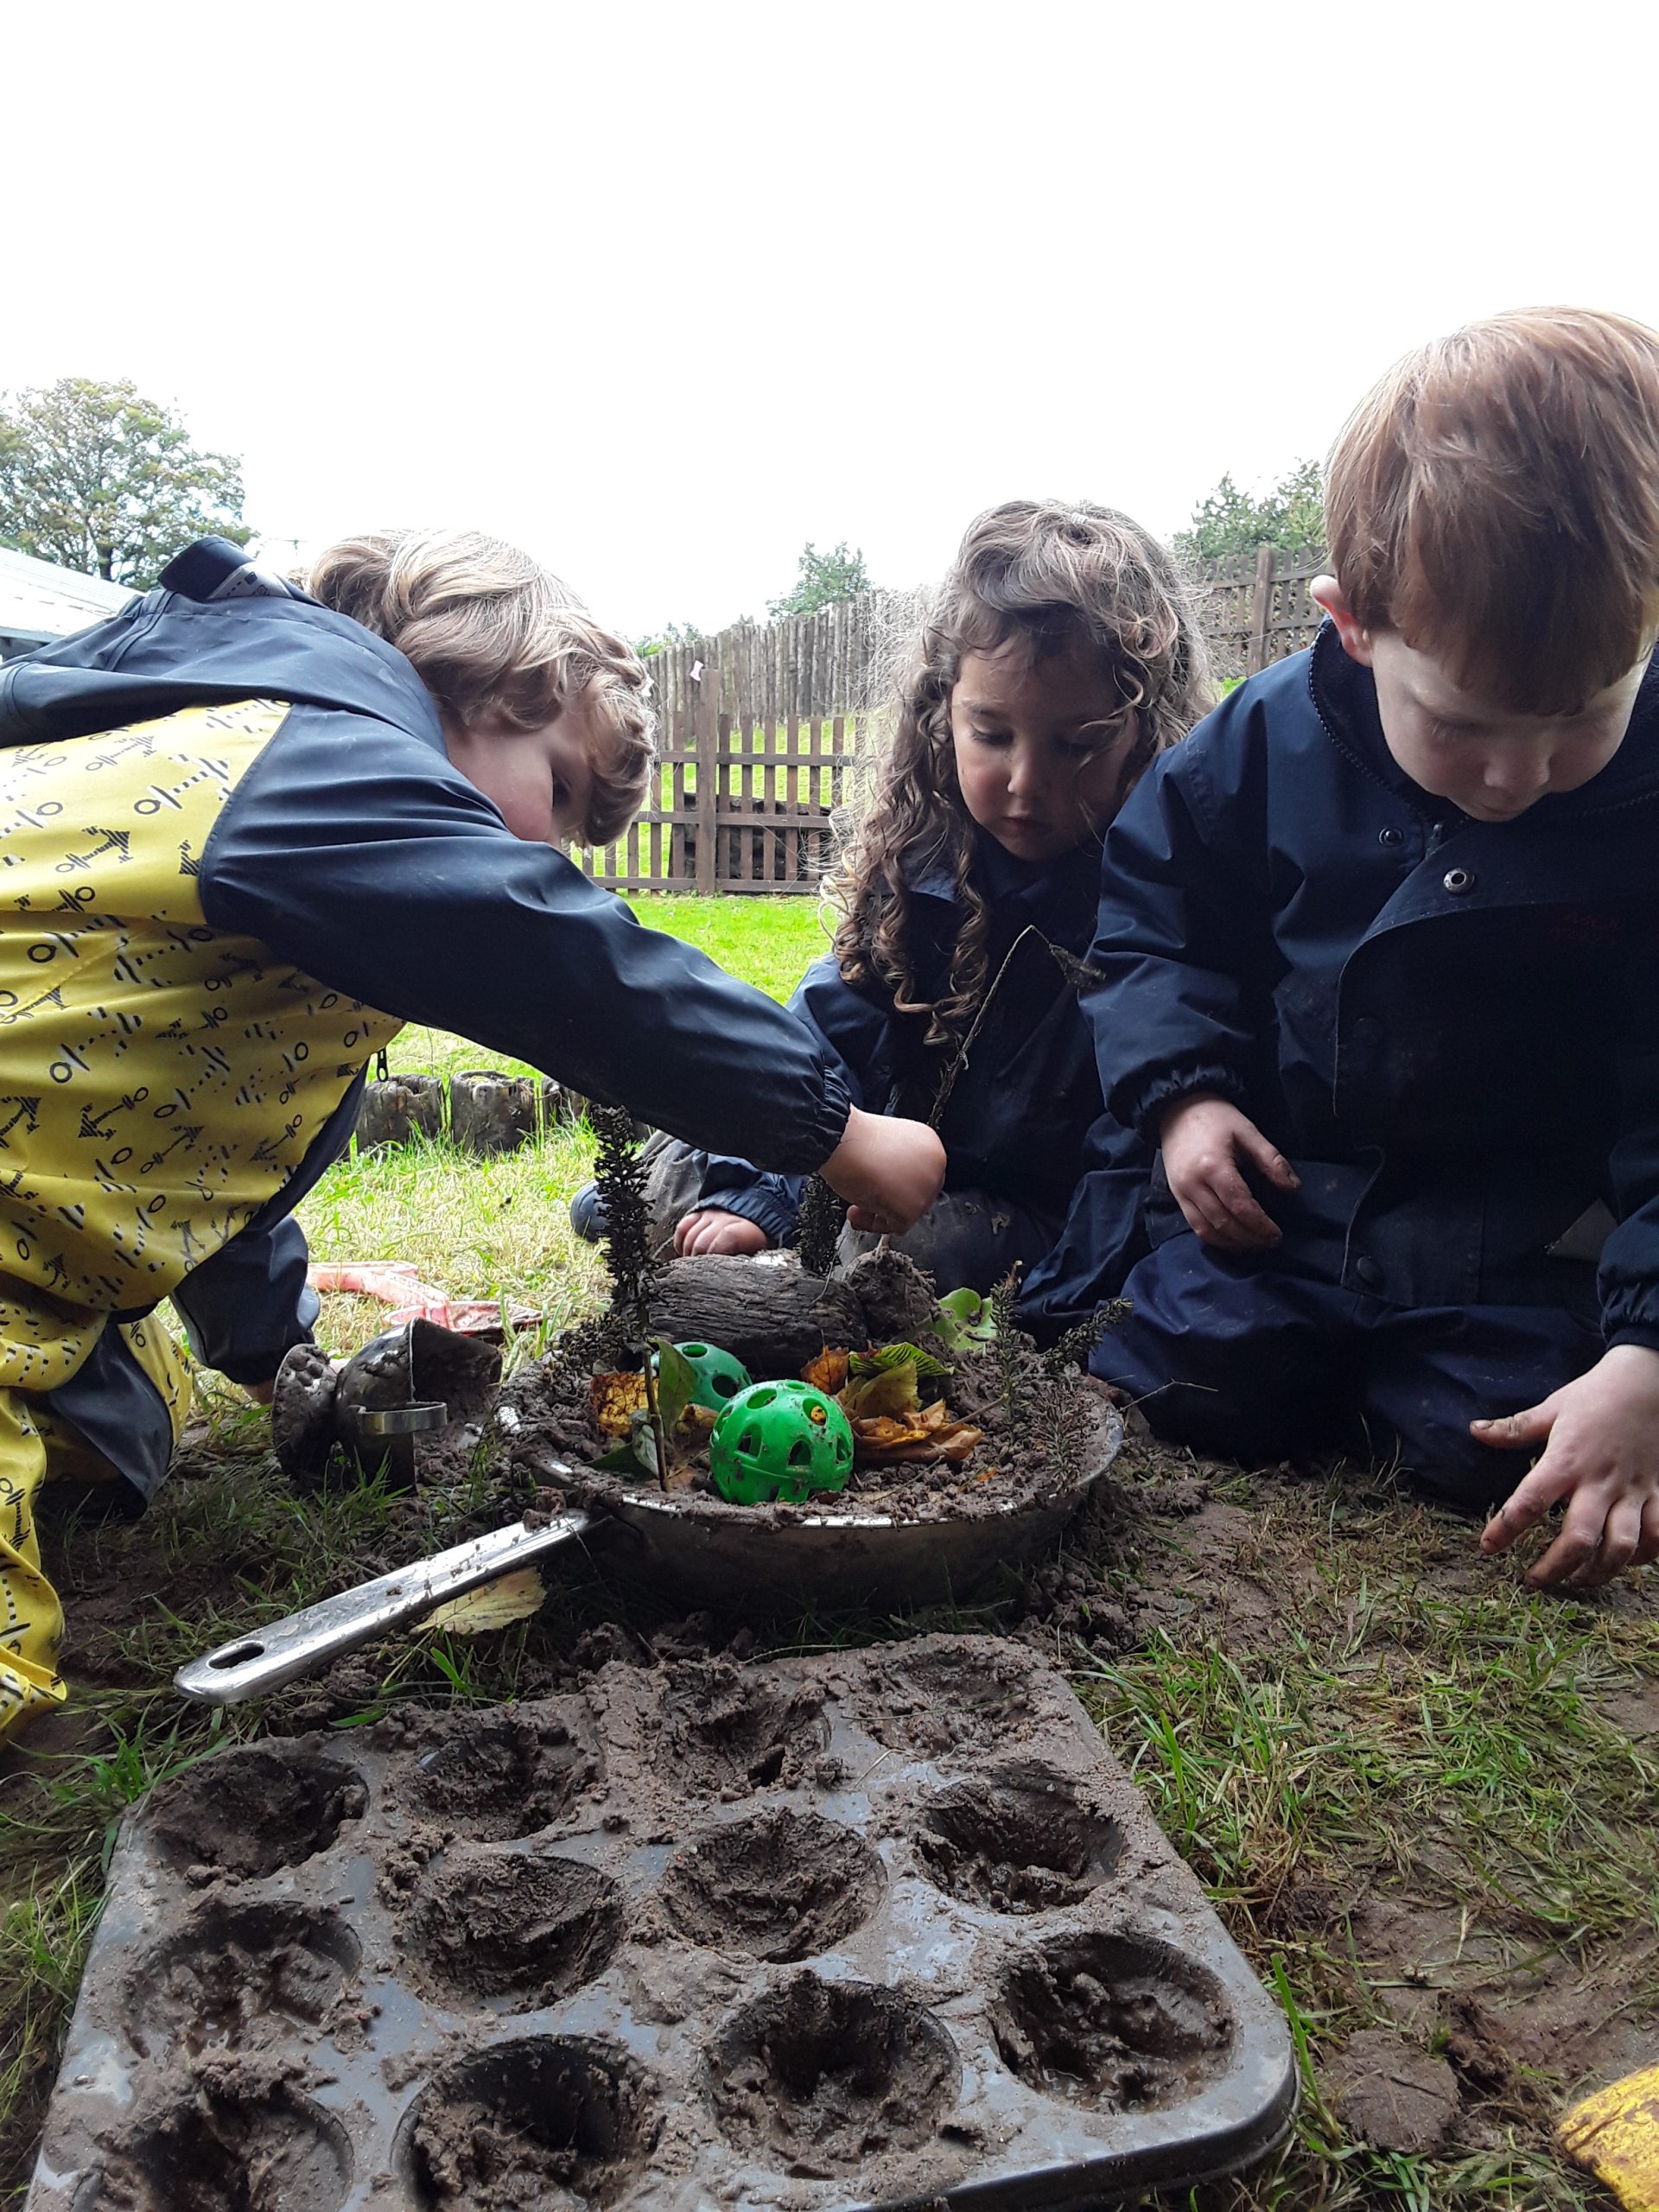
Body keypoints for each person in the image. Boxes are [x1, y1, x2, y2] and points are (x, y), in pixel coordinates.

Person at [0, 530, 944, 1740]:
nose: (545, 855)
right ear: (495, 688)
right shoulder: (336, 758)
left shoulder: (268, 792)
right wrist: (837, 1128)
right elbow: (564, 964)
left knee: (130, 1412)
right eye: (555, 790)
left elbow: (220, 1148)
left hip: (49, 1240)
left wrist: (267, 1350)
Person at [1069, 308, 1659, 1590]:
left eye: (1580, 726)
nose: (1518, 777)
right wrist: (1186, 1101)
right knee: (1189, 1367)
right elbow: (1154, 926)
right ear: (1355, 626)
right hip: (1292, 1214)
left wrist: (1645, 1360)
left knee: (1496, 1440)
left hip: (1509, 1242)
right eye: (1462, 728)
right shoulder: (1261, 744)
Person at [653, 499, 1209, 1291]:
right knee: (678, 1174)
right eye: (991, 734)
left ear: (1144, 732)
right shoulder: (924, 854)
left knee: (896, 1264)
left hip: (1038, 1212)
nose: (1026, 782)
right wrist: (761, 1190)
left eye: (1077, 744)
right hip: (895, 1157)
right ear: (942, 712)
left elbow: (1137, 1158)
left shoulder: (1161, 890)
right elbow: (832, 1030)